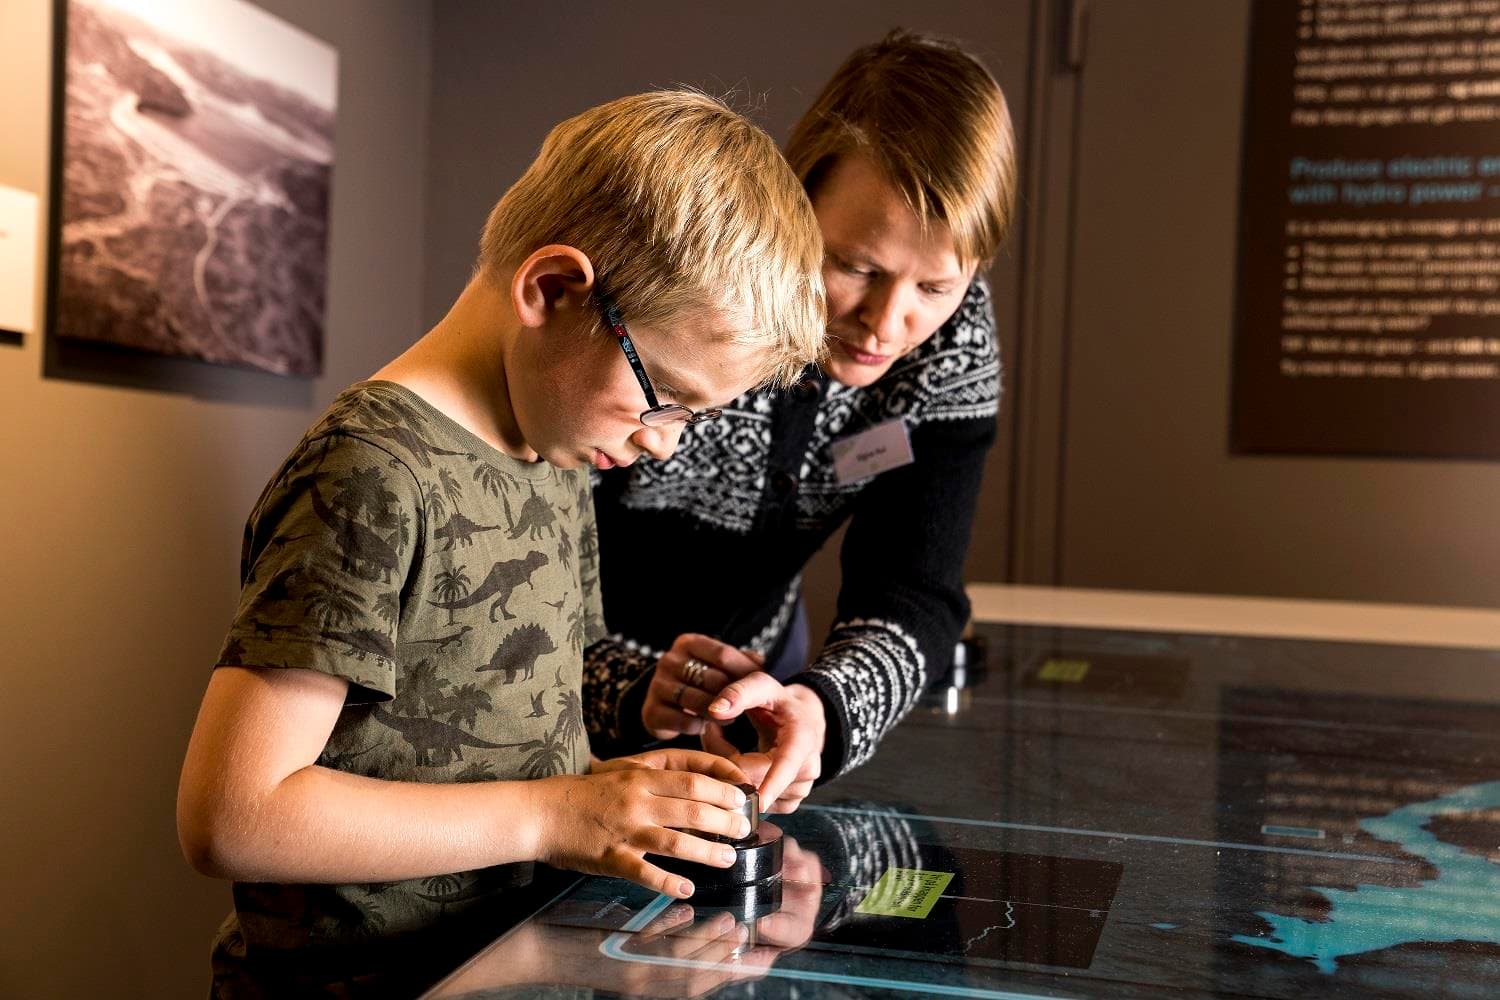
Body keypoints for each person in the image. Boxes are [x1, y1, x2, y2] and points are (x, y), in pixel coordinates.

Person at [175, 89, 826, 996]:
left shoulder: (554, 454)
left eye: (695, 417)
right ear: (552, 290)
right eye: (665, 396)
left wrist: (616, 780)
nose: (665, 444)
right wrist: (552, 815)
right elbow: (233, 817)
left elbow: (511, 724)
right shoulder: (372, 474)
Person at [584, 31, 1018, 812]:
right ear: (798, 199)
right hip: (559, 665)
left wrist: (823, 708)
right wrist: (628, 688)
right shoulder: (692, 273)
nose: (887, 323)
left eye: (935, 287)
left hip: (746, 678)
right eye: (856, 266)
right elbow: (515, 570)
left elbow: (915, 590)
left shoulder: (955, 344)